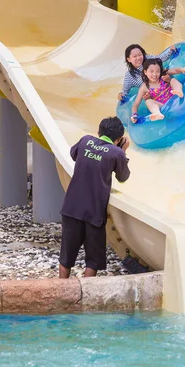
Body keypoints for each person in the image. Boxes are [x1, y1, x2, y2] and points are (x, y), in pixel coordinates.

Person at [58, 117, 131, 278]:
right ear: (119, 139)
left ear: (99, 132)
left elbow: (73, 154)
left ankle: (59, 294)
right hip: (94, 213)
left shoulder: (85, 141)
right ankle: (85, 297)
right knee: (93, 261)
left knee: (66, 258)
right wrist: (123, 152)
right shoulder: (116, 153)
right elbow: (123, 177)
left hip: (71, 208)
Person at [118, 44, 185, 101]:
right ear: (129, 59)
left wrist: (170, 50)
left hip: (166, 85)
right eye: (135, 56)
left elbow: (160, 59)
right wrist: (120, 96)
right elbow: (124, 93)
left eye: (140, 54)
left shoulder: (148, 59)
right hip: (156, 96)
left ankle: (178, 91)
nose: (138, 58)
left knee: (171, 79)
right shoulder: (130, 76)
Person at [131, 58, 185, 123]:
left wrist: (182, 69)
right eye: (151, 71)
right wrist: (134, 115)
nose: (155, 74)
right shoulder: (144, 87)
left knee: (173, 80)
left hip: (175, 96)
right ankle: (157, 113)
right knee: (148, 101)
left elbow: (175, 70)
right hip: (163, 106)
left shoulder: (163, 76)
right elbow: (136, 104)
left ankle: (179, 91)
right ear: (145, 72)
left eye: (157, 71)